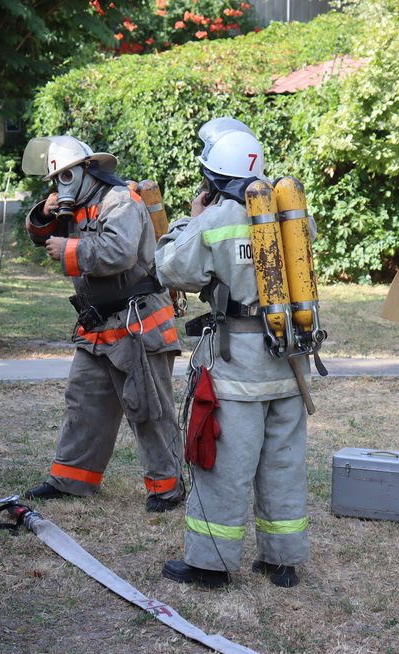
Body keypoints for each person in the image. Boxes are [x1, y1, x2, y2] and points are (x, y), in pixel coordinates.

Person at [154, 119, 311, 588]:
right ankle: (282, 562)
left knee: (223, 466)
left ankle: (210, 564)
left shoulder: (216, 219)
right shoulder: (291, 212)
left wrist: (189, 218)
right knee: (283, 465)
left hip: (238, 365)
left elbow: (172, 269)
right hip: (290, 359)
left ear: (211, 176)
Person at [19, 135, 185, 513]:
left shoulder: (120, 201)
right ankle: (71, 481)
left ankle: (167, 488)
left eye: (66, 176)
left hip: (138, 323)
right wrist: (43, 214)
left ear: (86, 170)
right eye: (56, 179)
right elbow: (39, 235)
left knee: (148, 408)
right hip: (97, 326)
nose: (61, 184)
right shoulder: (76, 206)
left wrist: (70, 250)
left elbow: (119, 253)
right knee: (84, 403)